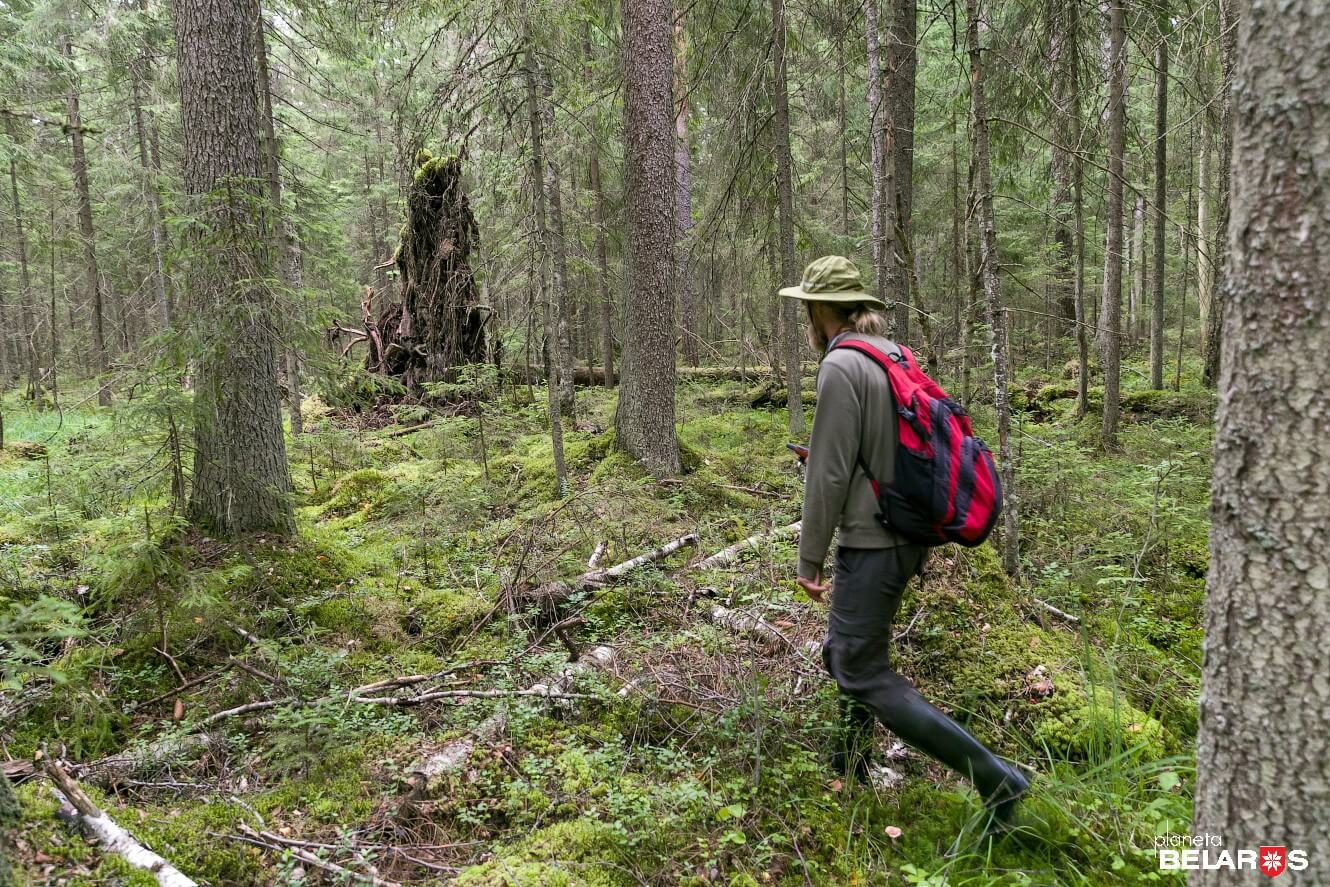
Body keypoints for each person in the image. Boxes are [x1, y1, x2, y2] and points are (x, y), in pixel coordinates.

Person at [780, 254, 1030, 830]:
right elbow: (879, 447)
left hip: (874, 540)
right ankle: (849, 765)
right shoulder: (893, 354)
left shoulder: (841, 366)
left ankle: (998, 781)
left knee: (862, 669)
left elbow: (831, 473)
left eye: (807, 309)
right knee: (843, 654)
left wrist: (808, 558)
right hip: (901, 530)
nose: (806, 319)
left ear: (821, 309)